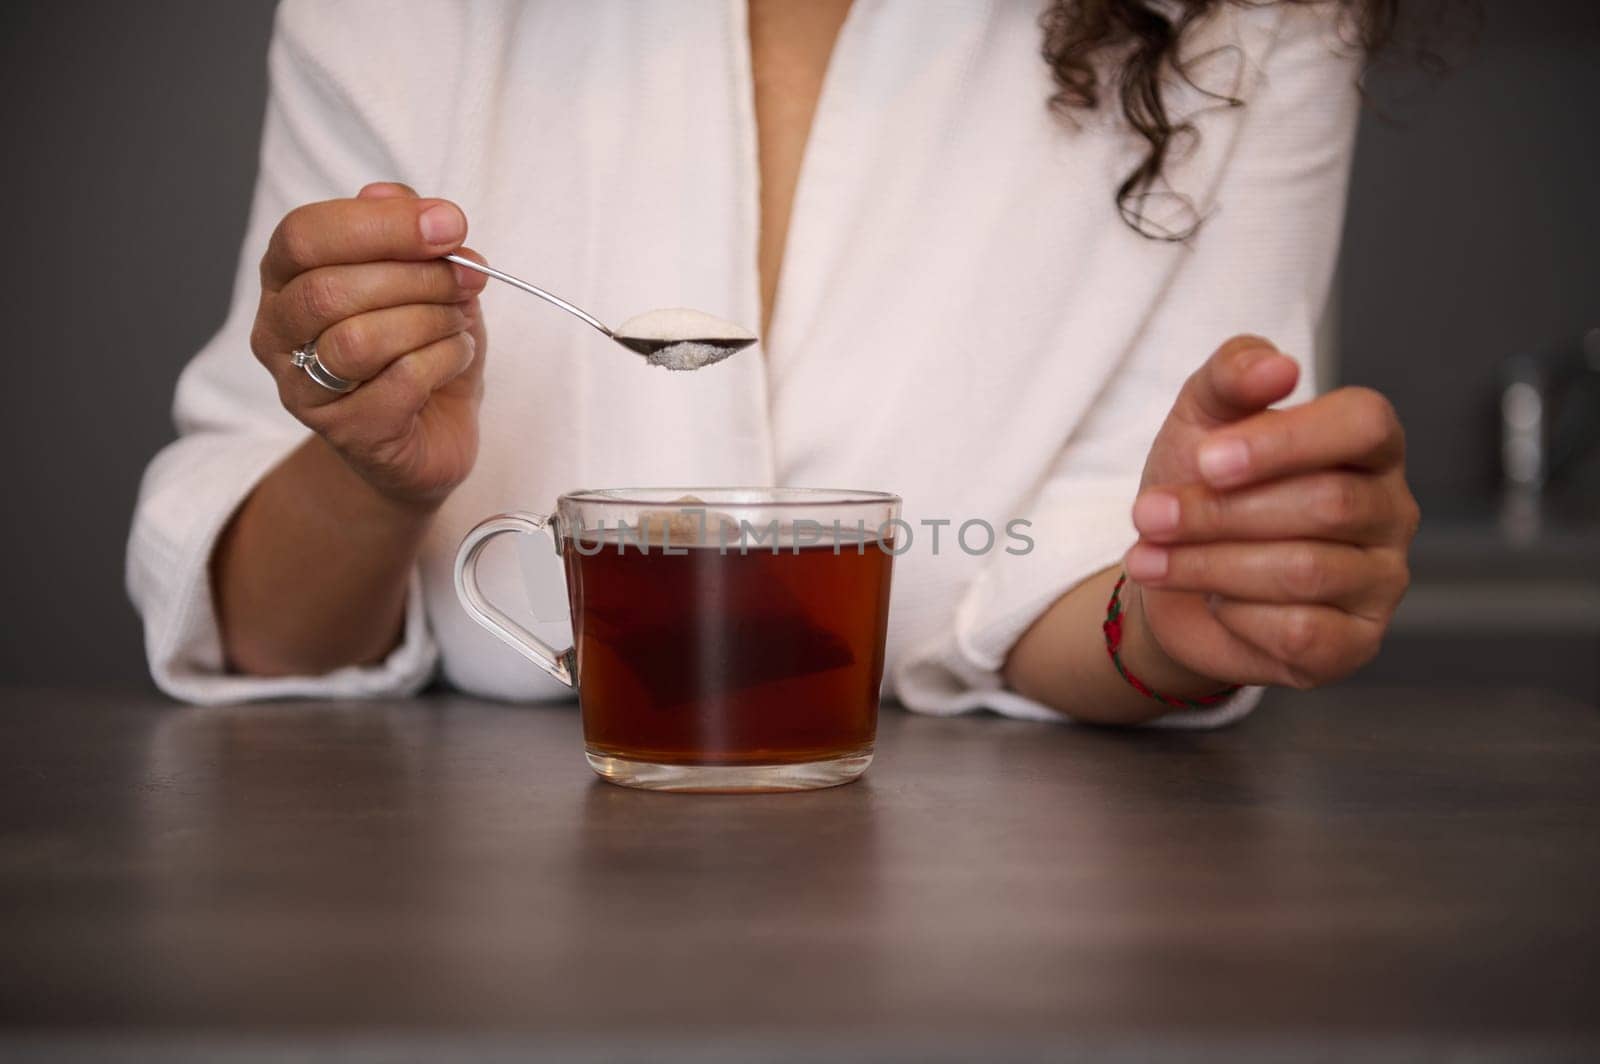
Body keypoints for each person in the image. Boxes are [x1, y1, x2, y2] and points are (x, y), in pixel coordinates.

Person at [128, 0, 1419, 726]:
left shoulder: (1254, 19)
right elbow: (260, 634)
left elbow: (1102, 566)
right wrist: (372, 475)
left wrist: (1171, 615)